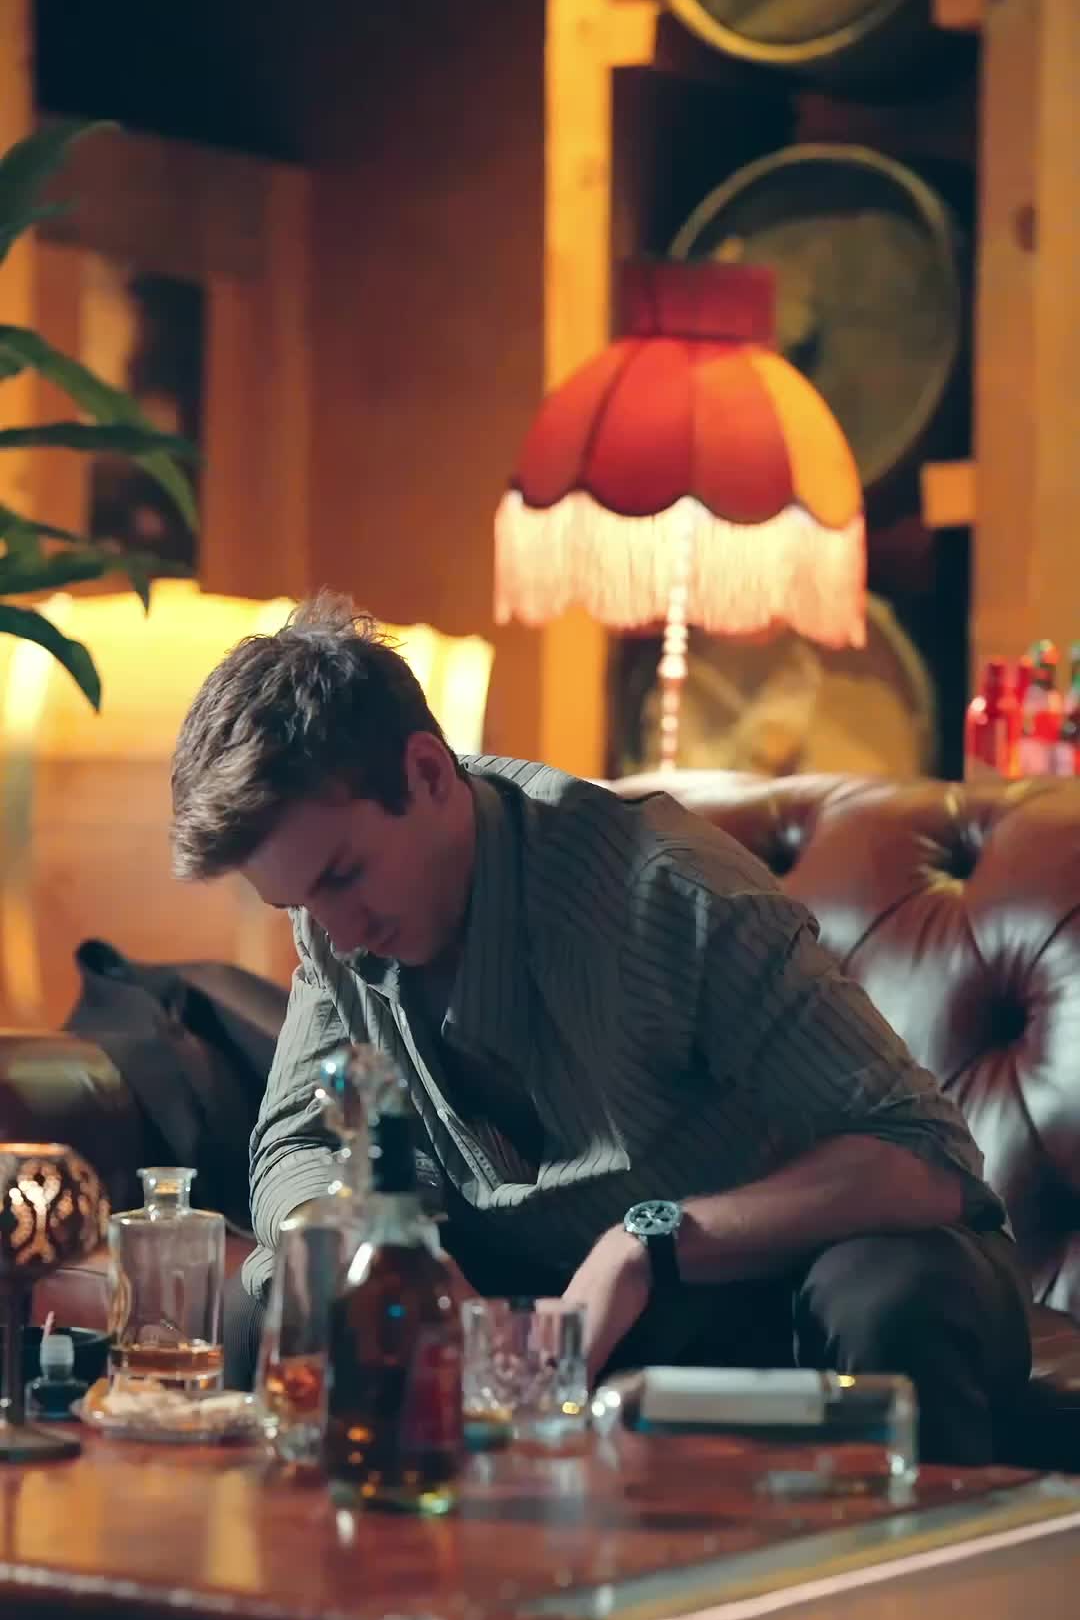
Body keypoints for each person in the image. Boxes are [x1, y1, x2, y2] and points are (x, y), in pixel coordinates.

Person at [170, 592, 1031, 1463]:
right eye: (296, 902)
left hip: (768, 1283)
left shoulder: (673, 895)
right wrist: (388, 1250)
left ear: (428, 773)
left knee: (886, 1297)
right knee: (282, 1287)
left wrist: (646, 1243)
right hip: (559, 1299)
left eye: (343, 876)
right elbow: (295, 1144)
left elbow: (926, 1157)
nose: (339, 933)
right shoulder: (332, 921)